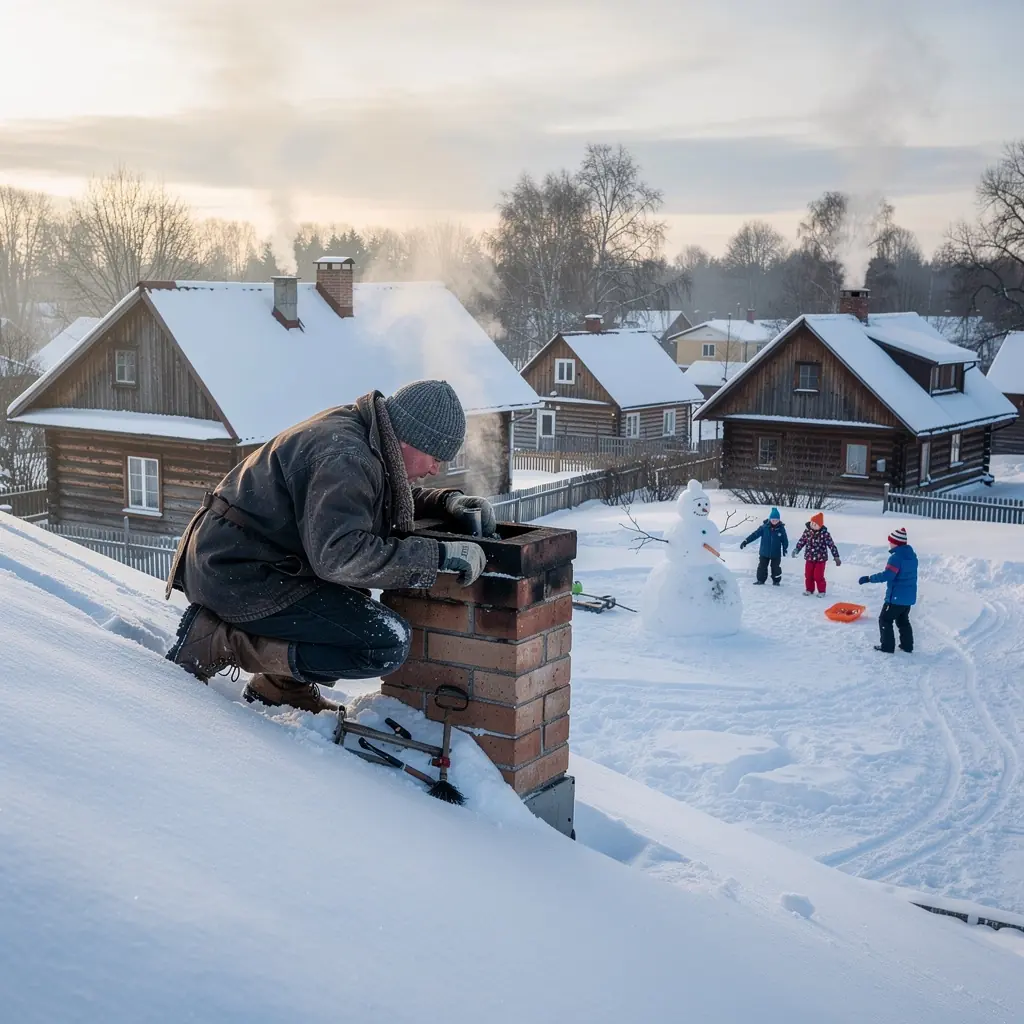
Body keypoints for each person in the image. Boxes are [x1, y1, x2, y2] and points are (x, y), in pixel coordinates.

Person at [164, 380, 495, 713]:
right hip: (233, 573)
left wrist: (445, 502)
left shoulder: (366, 436)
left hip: (241, 560)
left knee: (351, 603)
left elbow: (370, 499)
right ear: (410, 437)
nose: (437, 469)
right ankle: (220, 642)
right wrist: (437, 557)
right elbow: (340, 556)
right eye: (435, 457)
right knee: (383, 643)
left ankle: (278, 685)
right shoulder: (346, 457)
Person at [858, 527, 917, 654]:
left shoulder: (896, 558)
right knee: (903, 620)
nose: (889, 544)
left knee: (885, 619)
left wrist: (869, 578)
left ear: (896, 543)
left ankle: (887, 646)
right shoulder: (912, 556)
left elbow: (888, 575)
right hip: (908, 598)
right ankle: (907, 646)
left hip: (895, 597)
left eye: (890, 541)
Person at [791, 512, 841, 597]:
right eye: (812, 523)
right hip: (809, 557)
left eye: (816, 524)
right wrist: (797, 549)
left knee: (818, 576)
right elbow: (802, 541)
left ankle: (822, 591)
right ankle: (809, 589)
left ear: (820, 526)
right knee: (808, 575)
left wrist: (836, 556)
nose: (813, 525)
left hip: (820, 559)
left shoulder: (825, 534)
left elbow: (831, 545)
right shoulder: (807, 532)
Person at [740, 507, 789, 586]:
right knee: (762, 566)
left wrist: (785, 548)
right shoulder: (764, 527)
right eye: (773, 520)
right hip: (764, 552)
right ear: (770, 519)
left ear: (779, 520)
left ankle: (776, 581)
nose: (774, 522)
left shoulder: (781, 529)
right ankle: (760, 580)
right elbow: (755, 534)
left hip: (776, 553)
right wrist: (746, 541)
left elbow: (784, 540)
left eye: (776, 520)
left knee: (776, 567)